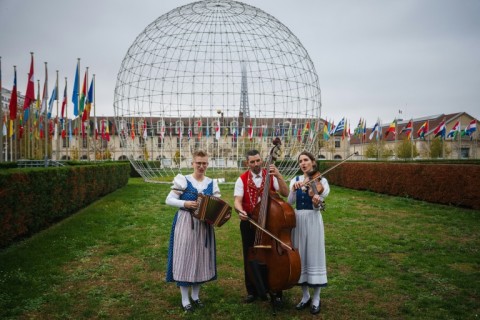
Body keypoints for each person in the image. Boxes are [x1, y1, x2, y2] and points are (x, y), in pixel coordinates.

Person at [166, 150, 220, 313]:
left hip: (204, 225)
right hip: (185, 222)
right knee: (184, 257)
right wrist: (185, 204)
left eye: (204, 163)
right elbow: (168, 199)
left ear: (207, 164)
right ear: (193, 163)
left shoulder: (212, 183)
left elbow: (217, 204)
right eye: (198, 163)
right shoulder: (183, 180)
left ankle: (196, 296)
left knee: (201, 259)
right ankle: (185, 299)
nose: (201, 166)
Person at [233, 149, 289, 305]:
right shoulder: (241, 179)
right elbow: (237, 200)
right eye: (252, 162)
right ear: (247, 163)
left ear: (262, 160)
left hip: (271, 222)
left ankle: (276, 291)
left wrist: (278, 175)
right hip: (250, 221)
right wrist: (240, 210)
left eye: (258, 160)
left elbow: (285, 192)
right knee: (249, 256)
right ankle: (252, 291)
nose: (256, 164)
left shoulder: (271, 176)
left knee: (273, 256)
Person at [287, 151, 330, 315]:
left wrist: (317, 199)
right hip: (298, 221)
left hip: (313, 220)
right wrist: (293, 189)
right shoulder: (296, 180)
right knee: (301, 257)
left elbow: (320, 198)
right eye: (300, 161)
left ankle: (316, 298)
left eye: (306, 160)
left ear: (313, 162)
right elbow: (290, 202)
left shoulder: (321, 180)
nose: (303, 163)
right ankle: (305, 296)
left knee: (314, 255)